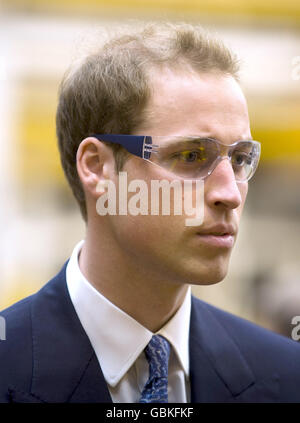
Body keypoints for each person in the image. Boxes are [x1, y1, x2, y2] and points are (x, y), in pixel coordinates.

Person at [0, 22, 299, 404]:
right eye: (191, 156)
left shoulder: (287, 375)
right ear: (98, 168)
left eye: (240, 159)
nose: (230, 193)